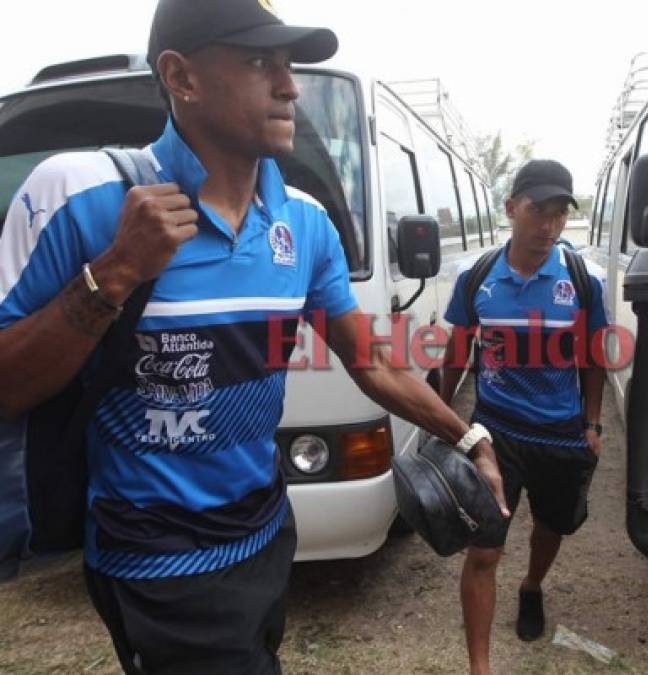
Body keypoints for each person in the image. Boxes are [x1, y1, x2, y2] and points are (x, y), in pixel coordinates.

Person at [0, 1, 507, 672]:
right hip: (156, 552)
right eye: (259, 61)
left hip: (267, 530)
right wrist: (115, 272)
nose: (290, 85)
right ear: (182, 77)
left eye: (289, 64)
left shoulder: (305, 222)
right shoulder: (79, 193)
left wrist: (466, 435)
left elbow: (371, 365)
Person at [440, 159, 609, 675]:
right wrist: (443, 417)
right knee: (483, 552)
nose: (549, 225)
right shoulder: (477, 277)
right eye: (539, 211)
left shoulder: (583, 280)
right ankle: (480, 667)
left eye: (560, 214)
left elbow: (594, 356)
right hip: (496, 432)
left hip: (560, 433)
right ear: (511, 208)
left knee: (549, 526)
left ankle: (532, 585)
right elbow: (455, 352)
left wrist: (593, 424)